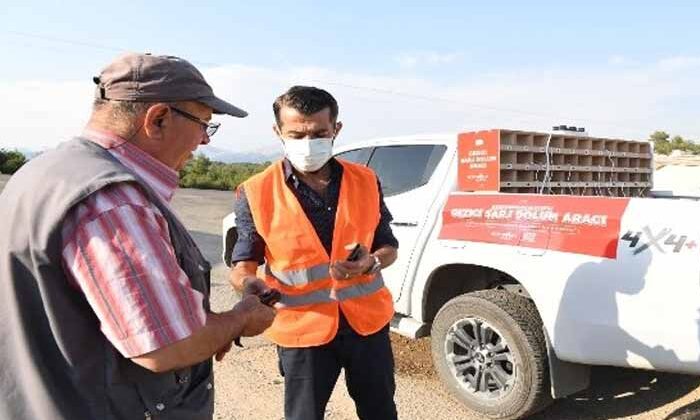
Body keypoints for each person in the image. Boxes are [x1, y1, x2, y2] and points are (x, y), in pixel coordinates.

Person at [0, 52, 276, 420]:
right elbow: (166, 345)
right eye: (204, 124)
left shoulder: (45, 171)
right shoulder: (114, 202)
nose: (203, 141)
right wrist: (240, 319)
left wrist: (211, 328)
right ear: (158, 118)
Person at [229, 85, 400, 420]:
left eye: (319, 133)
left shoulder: (366, 180)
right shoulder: (256, 191)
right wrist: (248, 285)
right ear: (278, 132)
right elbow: (242, 265)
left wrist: (373, 261)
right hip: (302, 332)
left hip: (367, 325)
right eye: (296, 134)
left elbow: (388, 244)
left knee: (380, 411)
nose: (308, 143)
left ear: (336, 130)